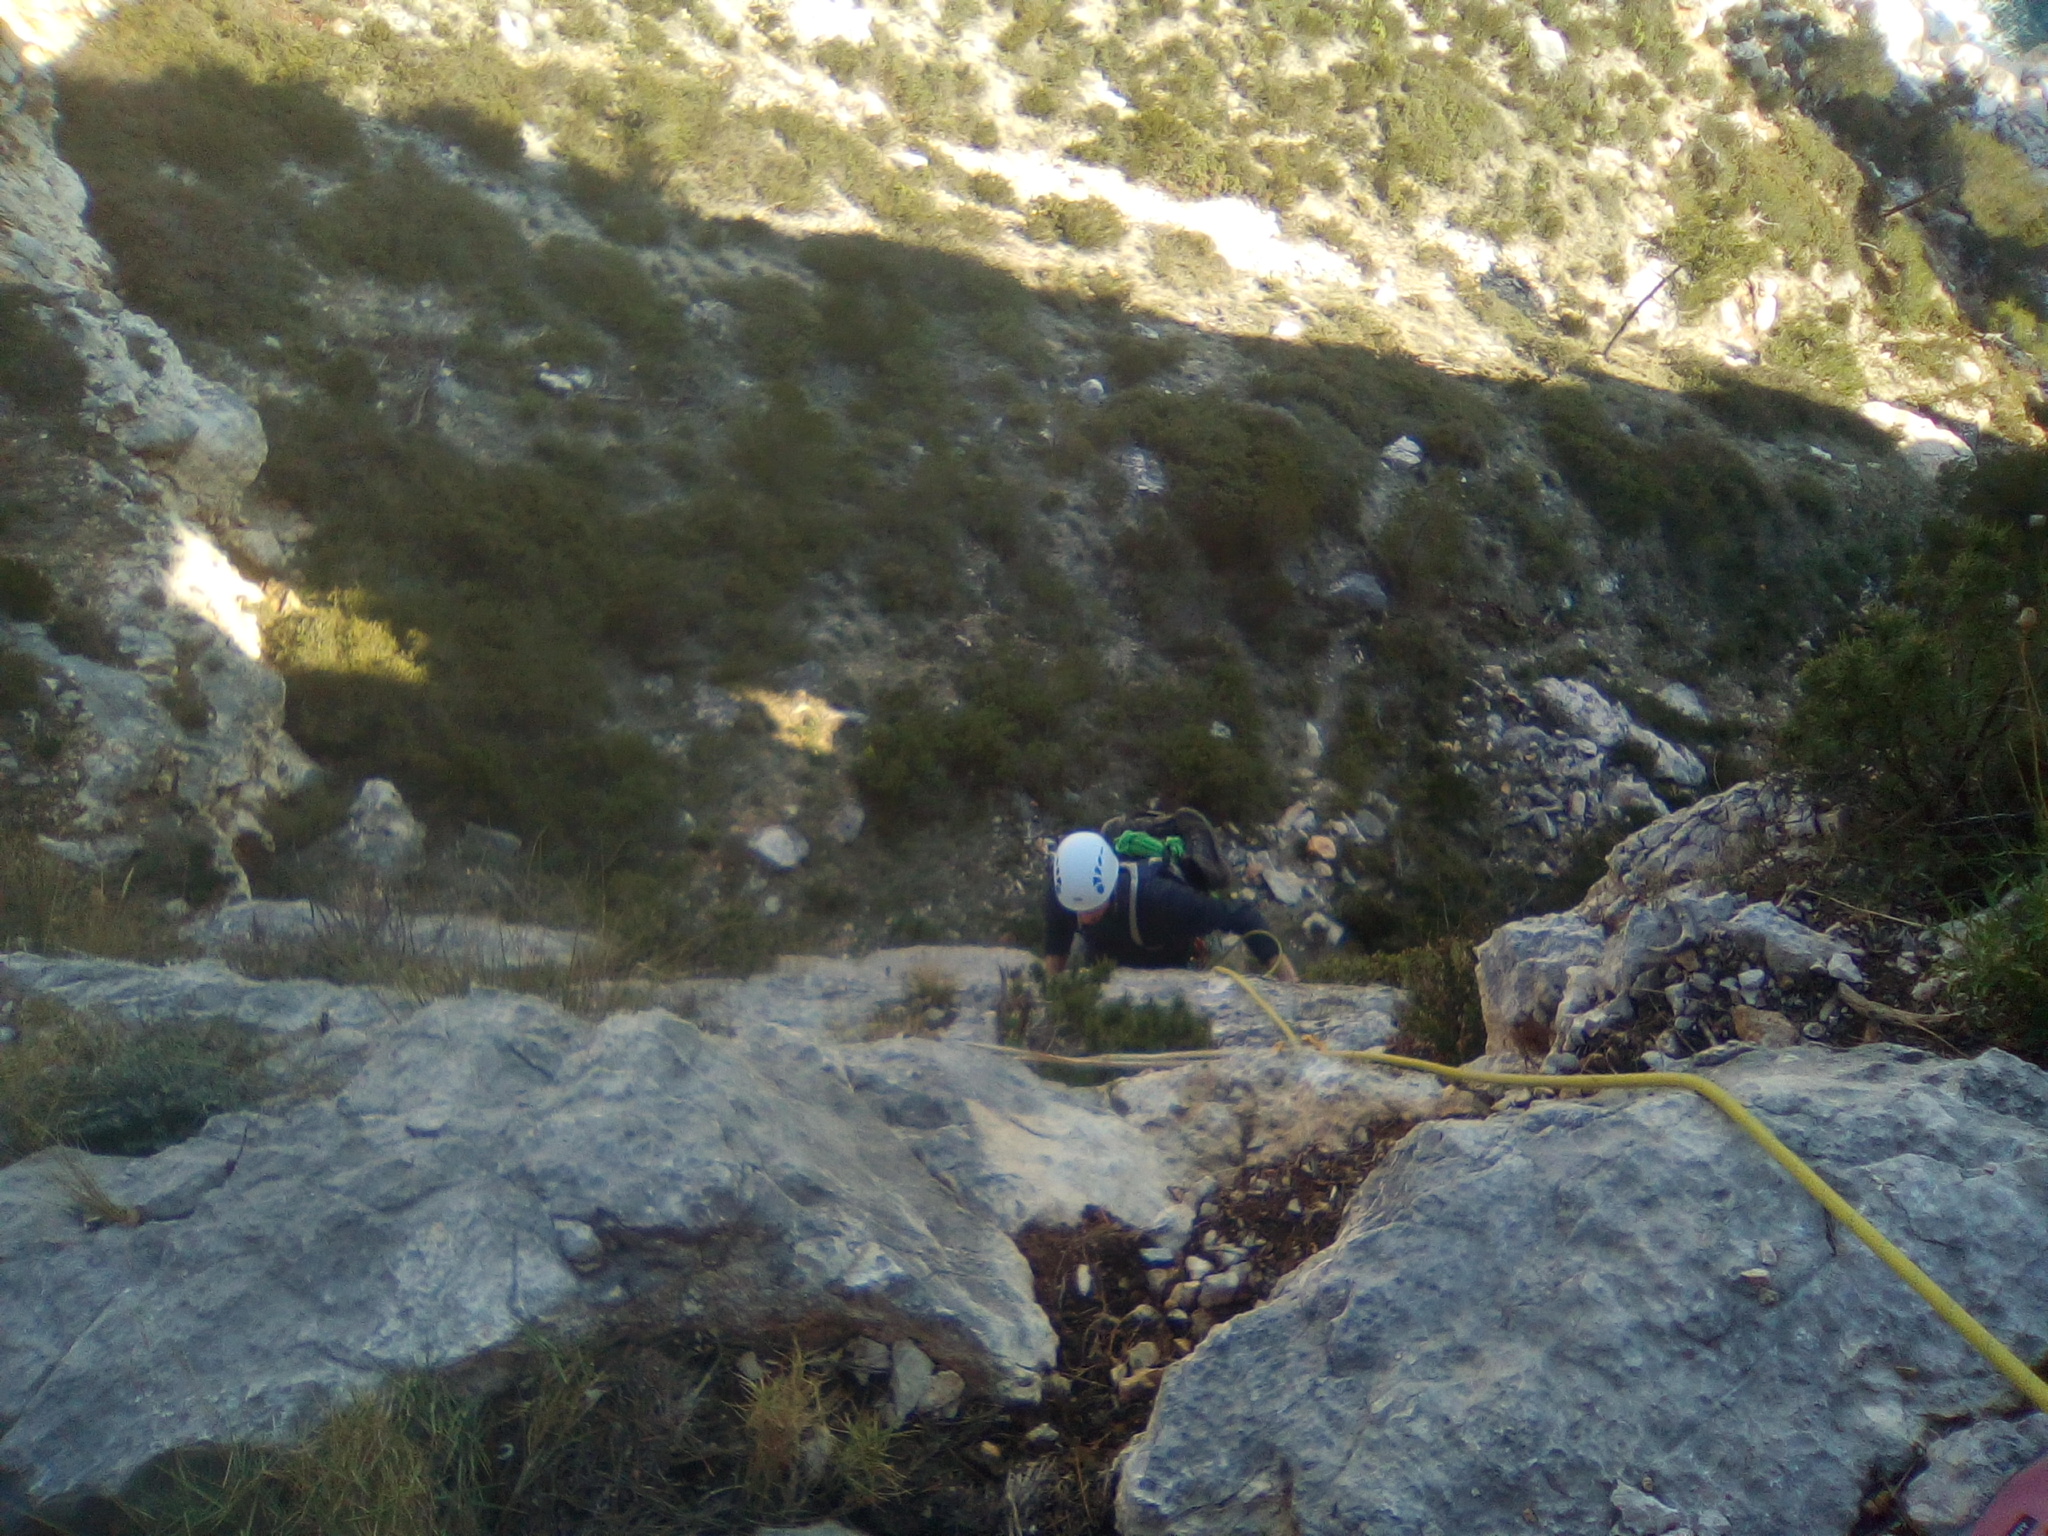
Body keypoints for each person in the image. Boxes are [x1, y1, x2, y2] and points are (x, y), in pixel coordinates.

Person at [1042, 829, 1300, 981]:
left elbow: (1243, 917)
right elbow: (1057, 949)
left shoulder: (1161, 899)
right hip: (1106, 961)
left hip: (1171, 963)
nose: (1084, 918)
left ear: (1110, 886)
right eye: (1079, 911)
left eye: (1093, 908)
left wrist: (1291, 983)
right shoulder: (1065, 893)